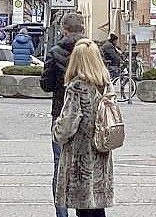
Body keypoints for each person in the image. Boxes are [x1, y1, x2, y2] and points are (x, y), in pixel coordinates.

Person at [53, 39, 115, 216]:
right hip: (101, 150)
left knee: (84, 207)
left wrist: (56, 133)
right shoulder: (106, 84)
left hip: (80, 156)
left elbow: (68, 124)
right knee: (97, 207)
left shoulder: (77, 86)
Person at [41, 12, 86, 217]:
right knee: (85, 167)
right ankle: (85, 210)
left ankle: (62, 213)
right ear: (83, 28)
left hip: (60, 114)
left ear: (63, 29)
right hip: (88, 116)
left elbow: (46, 84)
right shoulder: (92, 51)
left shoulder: (55, 51)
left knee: (60, 167)